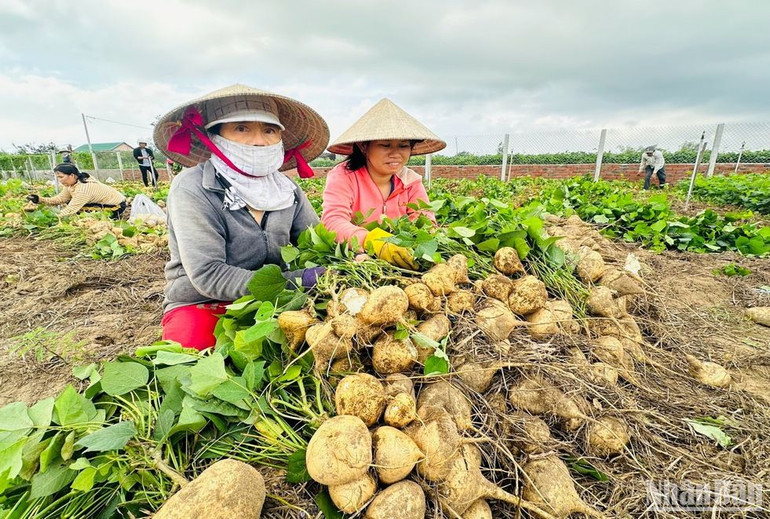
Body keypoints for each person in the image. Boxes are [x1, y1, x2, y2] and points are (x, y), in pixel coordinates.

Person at [153, 84, 329, 350]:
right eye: (242, 128)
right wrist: (296, 280)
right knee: (193, 367)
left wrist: (349, 261)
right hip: (203, 301)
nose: (259, 140)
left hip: (279, 300)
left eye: (269, 130)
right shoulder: (192, 187)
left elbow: (316, 245)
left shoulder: (286, 189)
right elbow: (209, 275)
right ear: (214, 136)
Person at [321, 98, 445, 269]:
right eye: (385, 145)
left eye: (403, 146)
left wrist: (419, 242)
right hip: (354, 257)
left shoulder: (411, 181)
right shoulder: (344, 176)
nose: (395, 154)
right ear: (364, 147)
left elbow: (425, 222)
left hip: (401, 259)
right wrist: (371, 241)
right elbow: (333, 221)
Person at [27, 164, 126, 218]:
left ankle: (113, 216)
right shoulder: (72, 184)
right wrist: (39, 200)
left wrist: (53, 218)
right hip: (103, 203)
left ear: (72, 176)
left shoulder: (83, 188)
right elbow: (61, 198)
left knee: (76, 210)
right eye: (58, 177)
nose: (59, 180)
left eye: (61, 177)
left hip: (116, 206)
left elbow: (71, 209)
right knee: (69, 202)